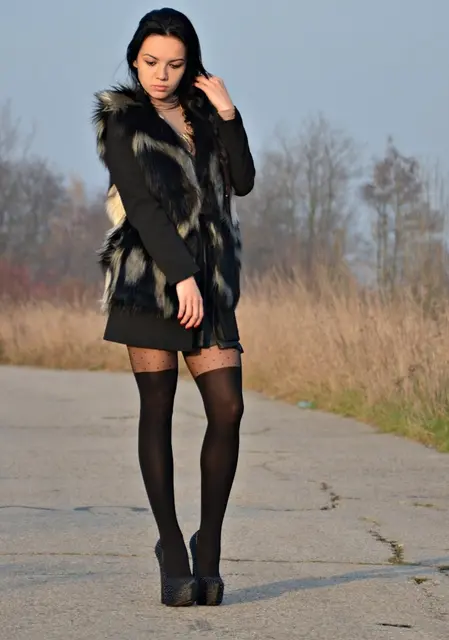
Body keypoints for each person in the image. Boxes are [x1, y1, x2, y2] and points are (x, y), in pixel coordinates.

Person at [92, 8, 255, 607]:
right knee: (157, 410)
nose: (161, 74)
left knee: (228, 408)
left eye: (175, 64)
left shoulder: (206, 115)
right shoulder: (121, 120)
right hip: (150, 280)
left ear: (191, 65)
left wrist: (230, 114)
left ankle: (208, 545)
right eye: (151, 62)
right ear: (135, 60)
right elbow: (140, 206)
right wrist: (179, 276)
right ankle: (173, 551)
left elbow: (243, 181)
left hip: (210, 284)